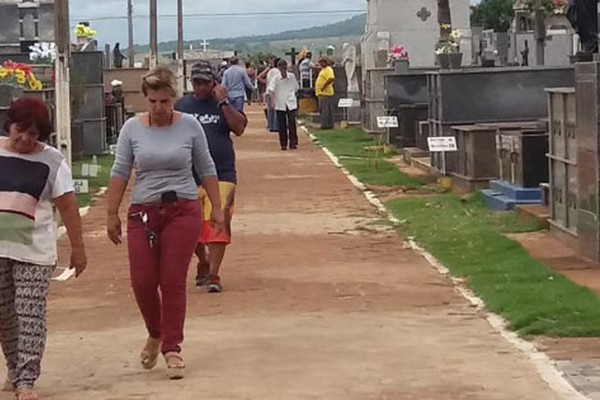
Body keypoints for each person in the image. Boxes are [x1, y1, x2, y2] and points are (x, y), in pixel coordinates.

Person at [106, 66, 224, 380]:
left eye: (164, 102)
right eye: (153, 101)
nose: (159, 108)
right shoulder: (132, 129)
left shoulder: (190, 127)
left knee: (172, 281)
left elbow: (206, 166)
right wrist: (110, 213)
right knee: (143, 282)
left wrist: (217, 208)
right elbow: (120, 171)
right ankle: (155, 332)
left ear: (173, 99)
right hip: (143, 211)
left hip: (182, 209)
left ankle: (172, 347)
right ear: (145, 99)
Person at [0, 98, 87, 400]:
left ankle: (27, 380)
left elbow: (68, 204)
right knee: (5, 315)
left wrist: (78, 248)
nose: (25, 139)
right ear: (9, 124)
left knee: (30, 314)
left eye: (34, 135)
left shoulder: (52, 161)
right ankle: (13, 370)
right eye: (20, 130)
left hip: (35, 252)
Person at [175, 61, 248, 293]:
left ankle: (214, 273)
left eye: (205, 82)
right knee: (191, 227)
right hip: (189, 175)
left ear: (214, 82)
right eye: (196, 82)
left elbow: (239, 128)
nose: (200, 87)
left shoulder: (223, 104)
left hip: (221, 173)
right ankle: (203, 259)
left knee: (218, 222)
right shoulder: (182, 105)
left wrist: (223, 101)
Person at [268, 59, 299, 151]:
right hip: (280, 103)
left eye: (284, 68)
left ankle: (293, 142)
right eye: (281, 68)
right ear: (278, 68)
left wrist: (293, 97)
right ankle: (283, 144)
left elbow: (296, 88)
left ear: (286, 68)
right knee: (282, 125)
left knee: (292, 123)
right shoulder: (276, 78)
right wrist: (272, 101)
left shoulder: (292, 77)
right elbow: (271, 90)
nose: (283, 70)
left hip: (291, 102)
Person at [315, 57, 336, 130]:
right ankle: (325, 124)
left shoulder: (328, 69)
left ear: (325, 62)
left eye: (321, 62)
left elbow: (331, 78)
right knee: (323, 109)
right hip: (321, 93)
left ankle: (326, 125)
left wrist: (323, 86)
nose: (320, 64)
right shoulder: (323, 70)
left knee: (325, 110)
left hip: (325, 93)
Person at [264, 57, 282, 132]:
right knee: (276, 109)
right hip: (276, 92)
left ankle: (270, 126)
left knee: (270, 109)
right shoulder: (279, 72)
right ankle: (276, 127)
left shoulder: (270, 71)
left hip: (268, 91)